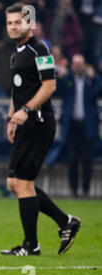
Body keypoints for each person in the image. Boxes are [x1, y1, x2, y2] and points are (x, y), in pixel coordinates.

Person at [0, 3, 81, 256]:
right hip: (25, 122)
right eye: (10, 23)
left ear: (29, 24)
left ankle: (31, 245)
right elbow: (18, 89)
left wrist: (25, 111)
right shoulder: (16, 54)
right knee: (15, 183)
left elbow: (49, 86)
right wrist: (12, 118)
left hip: (40, 122)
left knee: (22, 183)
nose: (13, 27)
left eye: (18, 22)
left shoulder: (40, 49)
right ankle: (65, 222)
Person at [56, 54, 101, 197]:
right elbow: (56, 90)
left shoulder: (90, 81)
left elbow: (98, 92)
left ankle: (86, 190)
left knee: (87, 159)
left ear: (85, 65)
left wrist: (94, 78)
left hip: (87, 125)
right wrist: (60, 77)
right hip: (71, 125)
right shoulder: (68, 80)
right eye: (75, 64)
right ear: (72, 66)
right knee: (72, 158)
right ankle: (74, 190)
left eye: (80, 64)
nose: (78, 67)